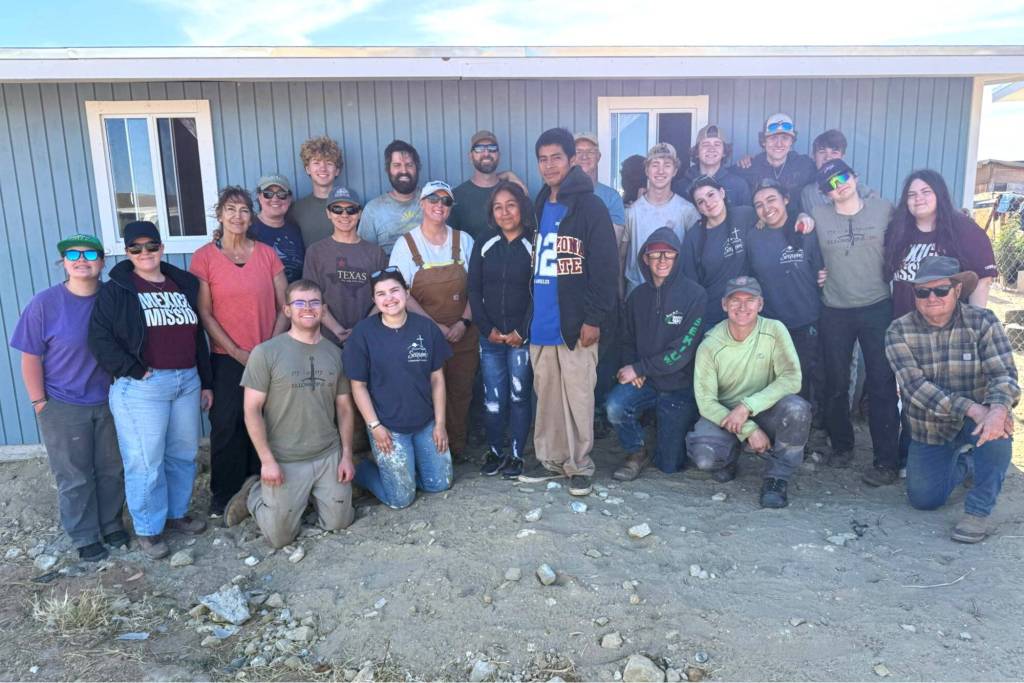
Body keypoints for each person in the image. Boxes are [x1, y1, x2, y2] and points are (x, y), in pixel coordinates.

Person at [88, 222, 213, 559]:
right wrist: (134, 370)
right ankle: (148, 528)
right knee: (146, 460)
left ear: (162, 247)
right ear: (127, 252)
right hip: (143, 386)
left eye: (151, 246)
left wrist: (206, 380)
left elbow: (196, 336)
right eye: (136, 248)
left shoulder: (182, 283)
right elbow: (99, 338)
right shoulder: (118, 290)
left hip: (186, 381)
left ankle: (175, 514)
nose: (145, 253)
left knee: (183, 454)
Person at [885, 256, 1019, 543]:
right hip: (931, 428)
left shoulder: (983, 322)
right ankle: (969, 464)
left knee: (999, 428)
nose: (931, 297)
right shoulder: (898, 330)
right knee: (924, 499)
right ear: (915, 295)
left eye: (941, 290)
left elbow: (1004, 375)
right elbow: (915, 388)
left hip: (980, 422)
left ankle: (978, 512)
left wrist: (996, 409)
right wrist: (973, 408)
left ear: (957, 290)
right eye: (923, 292)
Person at [11, 234, 125, 562]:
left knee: (111, 468)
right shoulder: (45, 303)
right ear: (63, 262)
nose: (81, 259)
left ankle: (111, 523)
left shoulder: (113, 298)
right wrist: (39, 403)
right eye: (72, 254)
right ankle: (84, 534)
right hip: (63, 403)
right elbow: (30, 356)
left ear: (102, 261)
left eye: (90, 253)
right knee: (74, 474)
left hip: (110, 400)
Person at [517, 127, 618, 496]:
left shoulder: (590, 206)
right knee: (548, 398)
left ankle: (580, 465)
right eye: (542, 159)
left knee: (577, 396)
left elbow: (606, 267)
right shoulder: (541, 203)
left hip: (575, 322)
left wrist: (594, 318)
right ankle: (553, 461)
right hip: (541, 320)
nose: (548, 165)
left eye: (556, 157)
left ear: (573, 159)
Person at [224, 280, 355, 547]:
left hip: (326, 454)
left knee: (339, 523)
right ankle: (254, 493)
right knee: (280, 538)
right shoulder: (267, 353)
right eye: (299, 303)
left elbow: (344, 408)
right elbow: (251, 410)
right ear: (287, 310)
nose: (308, 308)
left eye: (314, 302)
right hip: (285, 458)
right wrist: (267, 460)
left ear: (323, 309)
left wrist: (347, 455)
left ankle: (304, 496)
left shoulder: (336, 354)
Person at [190, 187, 288, 516]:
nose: (237, 216)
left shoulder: (267, 254)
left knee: (265, 421)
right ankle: (224, 496)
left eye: (244, 210)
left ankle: (259, 490)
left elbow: (283, 305)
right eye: (231, 210)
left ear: (251, 216)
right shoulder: (204, 257)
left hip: (267, 354)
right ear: (219, 215)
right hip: (226, 357)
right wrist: (234, 351)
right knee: (227, 422)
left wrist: (269, 347)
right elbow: (205, 312)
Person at [810, 159, 901, 485]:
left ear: (855, 176)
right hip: (834, 307)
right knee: (835, 383)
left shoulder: (883, 209)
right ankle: (842, 446)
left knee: (881, 382)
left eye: (843, 177)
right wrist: (815, 272)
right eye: (831, 184)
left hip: (877, 306)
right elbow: (805, 250)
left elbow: (911, 235)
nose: (839, 186)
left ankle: (886, 460)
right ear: (825, 193)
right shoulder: (818, 217)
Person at [686, 276, 810, 508]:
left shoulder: (774, 330)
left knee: (796, 409)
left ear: (760, 304)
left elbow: (792, 378)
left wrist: (747, 407)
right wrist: (748, 429)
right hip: (726, 415)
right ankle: (730, 457)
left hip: (765, 409)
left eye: (750, 300)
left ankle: (777, 477)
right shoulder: (710, 344)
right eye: (735, 300)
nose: (742, 307)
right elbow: (706, 402)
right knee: (704, 457)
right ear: (724, 304)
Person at [343, 269, 453, 509]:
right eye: (381, 294)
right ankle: (363, 468)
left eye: (394, 290)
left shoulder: (426, 329)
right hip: (389, 428)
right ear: (374, 300)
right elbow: (358, 386)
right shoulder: (363, 334)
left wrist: (440, 424)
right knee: (400, 500)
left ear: (407, 292)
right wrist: (375, 427)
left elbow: (437, 379)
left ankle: (405, 472)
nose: (389, 298)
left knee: (439, 484)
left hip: (425, 423)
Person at [606, 228, 706, 481]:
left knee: (669, 465)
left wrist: (640, 368)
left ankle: (676, 431)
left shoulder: (695, 295)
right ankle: (636, 451)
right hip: (646, 382)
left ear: (678, 258)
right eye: (655, 255)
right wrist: (632, 367)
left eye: (668, 255)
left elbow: (682, 352)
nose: (662, 260)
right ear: (645, 259)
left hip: (679, 385)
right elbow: (626, 340)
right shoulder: (637, 297)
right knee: (615, 407)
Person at [388, 181, 478, 459]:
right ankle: (432, 454)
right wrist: (432, 325)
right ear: (422, 204)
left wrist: (463, 322)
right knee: (424, 392)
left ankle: (457, 449)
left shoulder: (464, 240)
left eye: (446, 201)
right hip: (422, 332)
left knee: (460, 391)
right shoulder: (406, 244)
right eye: (433, 199)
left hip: (463, 332)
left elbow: (478, 287)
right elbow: (400, 291)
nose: (439, 205)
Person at [468, 181, 535, 479]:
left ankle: (518, 455)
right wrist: (486, 328)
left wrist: (523, 330)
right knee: (494, 397)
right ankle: (496, 452)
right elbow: (473, 289)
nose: (505, 212)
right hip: (491, 337)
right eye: (498, 207)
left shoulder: (535, 241)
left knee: (520, 396)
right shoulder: (484, 241)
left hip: (522, 338)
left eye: (511, 205)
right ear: (491, 212)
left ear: (521, 207)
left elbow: (540, 292)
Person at [748, 180, 825, 403]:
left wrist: (826, 274)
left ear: (786, 199)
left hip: (806, 321)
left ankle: (809, 430)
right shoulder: (753, 237)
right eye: (759, 204)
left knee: (805, 379)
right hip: (771, 325)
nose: (766, 207)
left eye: (771, 199)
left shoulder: (804, 231)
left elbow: (822, 270)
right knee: (775, 381)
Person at [885, 169, 997, 319]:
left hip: (948, 328)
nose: (918, 198)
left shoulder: (964, 229)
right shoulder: (898, 230)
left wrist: (974, 323)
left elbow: (982, 280)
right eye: (912, 195)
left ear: (939, 194)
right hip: (905, 326)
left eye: (926, 192)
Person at [574, 131, 627, 439]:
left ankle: (599, 415)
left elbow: (612, 241)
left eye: (589, 152)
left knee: (603, 356)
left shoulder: (610, 197)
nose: (584, 157)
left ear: (598, 158)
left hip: (604, 289)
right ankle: (581, 415)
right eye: (578, 152)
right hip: (573, 291)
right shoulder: (560, 195)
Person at [302, 186, 388, 347]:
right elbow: (312, 298)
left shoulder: (376, 253)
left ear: (360, 213)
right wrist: (338, 331)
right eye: (337, 209)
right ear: (328, 213)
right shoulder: (315, 252)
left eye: (351, 209)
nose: (344, 215)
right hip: (326, 342)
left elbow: (384, 298)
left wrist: (360, 331)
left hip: (368, 339)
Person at [623, 143, 700, 294]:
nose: (660, 171)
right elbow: (621, 256)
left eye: (667, 165)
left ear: (675, 171)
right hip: (637, 294)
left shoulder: (688, 211)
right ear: (646, 170)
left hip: (675, 295)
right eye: (655, 164)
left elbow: (697, 256)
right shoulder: (631, 212)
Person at [682, 175, 756, 330]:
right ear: (698, 208)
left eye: (711, 194)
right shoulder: (693, 237)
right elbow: (690, 284)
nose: (708, 203)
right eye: (701, 201)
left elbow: (776, 219)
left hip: (747, 312)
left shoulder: (746, 216)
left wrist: (803, 217)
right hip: (712, 316)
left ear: (722, 193)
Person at [448, 129, 528, 240]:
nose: (486, 153)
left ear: (498, 155)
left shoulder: (513, 191)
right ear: (471, 156)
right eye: (479, 149)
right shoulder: (456, 196)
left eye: (492, 148)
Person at [733, 113, 817, 215]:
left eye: (785, 138)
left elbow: (828, 174)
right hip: (760, 226)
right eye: (773, 138)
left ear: (792, 142)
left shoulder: (804, 165)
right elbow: (723, 178)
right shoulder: (749, 166)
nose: (779, 144)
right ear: (764, 142)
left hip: (795, 226)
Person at [358, 140, 424, 254]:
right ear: (388, 170)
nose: (404, 171)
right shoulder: (373, 210)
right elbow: (364, 256)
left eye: (409, 165)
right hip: (390, 270)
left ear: (417, 168)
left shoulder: (434, 201)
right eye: (397, 165)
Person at [674, 124, 751, 207]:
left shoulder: (739, 185)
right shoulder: (680, 187)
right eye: (706, 144)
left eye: (717, 144)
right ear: (697, 152)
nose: (711, 149)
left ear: (724, 152)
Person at [288, 136, 343, 246]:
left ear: (337, 171)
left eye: (329, 163)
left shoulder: (350, 206)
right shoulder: (297, 209)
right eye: (316, 162)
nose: (323, 168)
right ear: (308, 169)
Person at [800, 130, 875, 211]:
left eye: (834, 152)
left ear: (842, 157)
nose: (828, 158)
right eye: (822, 152)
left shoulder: (859, 188)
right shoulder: (809, 193)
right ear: (814, 156)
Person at [251, 174, 305, 283]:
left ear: (289, 199)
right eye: (268, 194)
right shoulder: (247, 229)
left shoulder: (296, 229)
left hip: (295, 297)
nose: (275, 198)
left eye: (281, 194)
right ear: (259, 197)